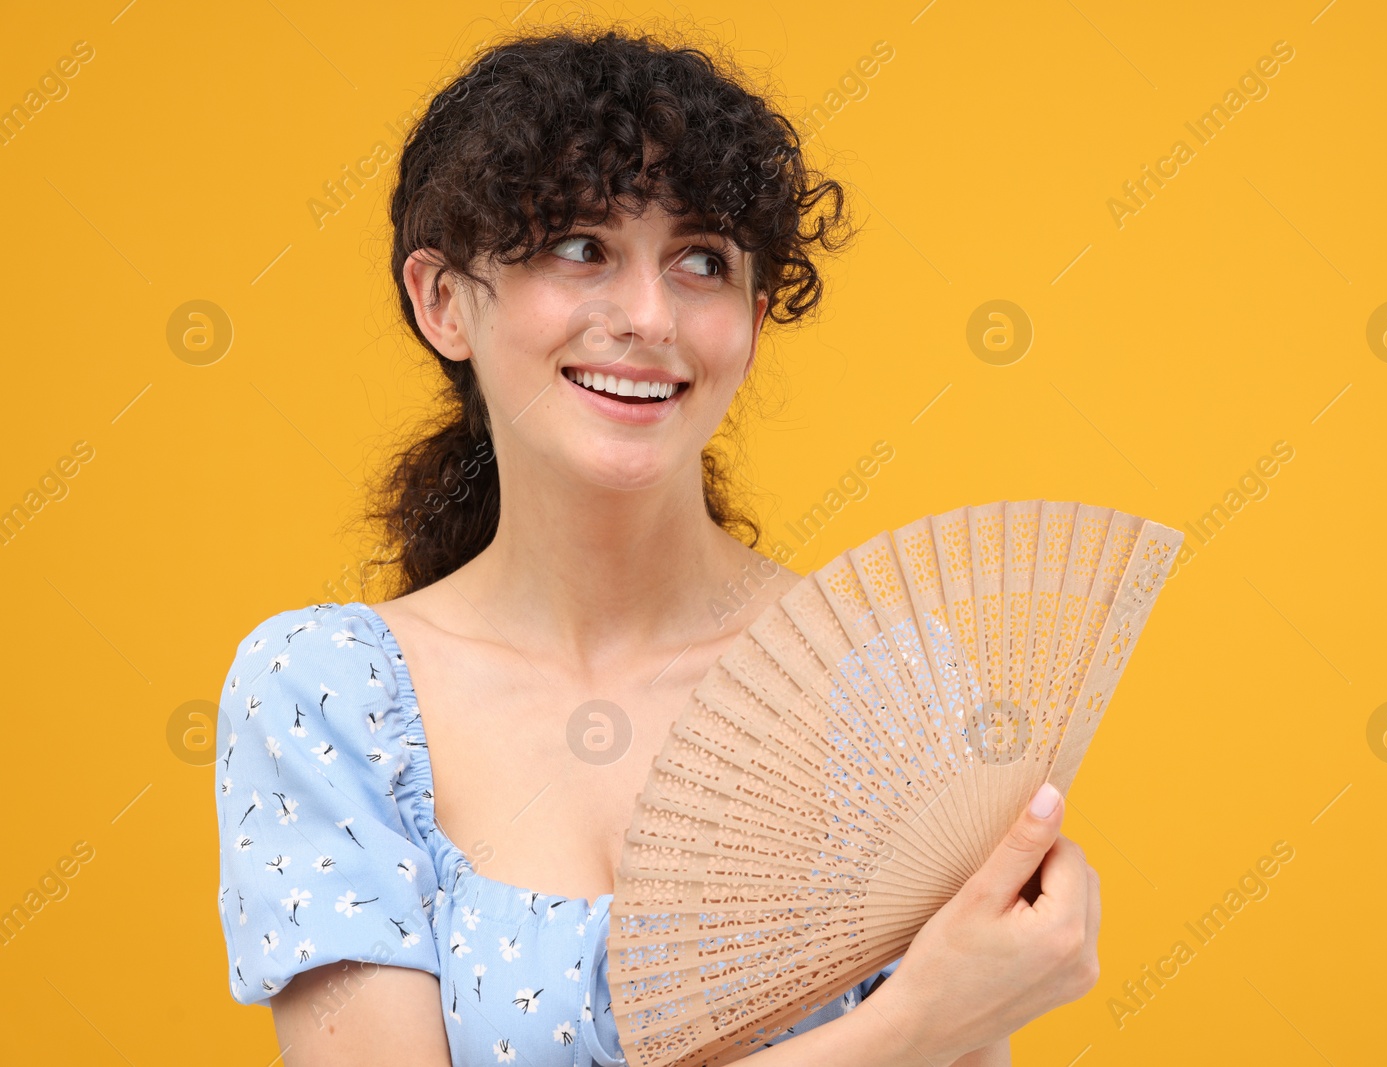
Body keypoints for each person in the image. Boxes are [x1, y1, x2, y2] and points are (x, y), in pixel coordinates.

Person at [213, 24, 1100, 1067]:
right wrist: (914, 1024)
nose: (647, 314)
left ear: (755, 320)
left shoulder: (886, 687)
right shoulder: (328, 695)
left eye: (699, 261)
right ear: (441, 299)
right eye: (581, 246)